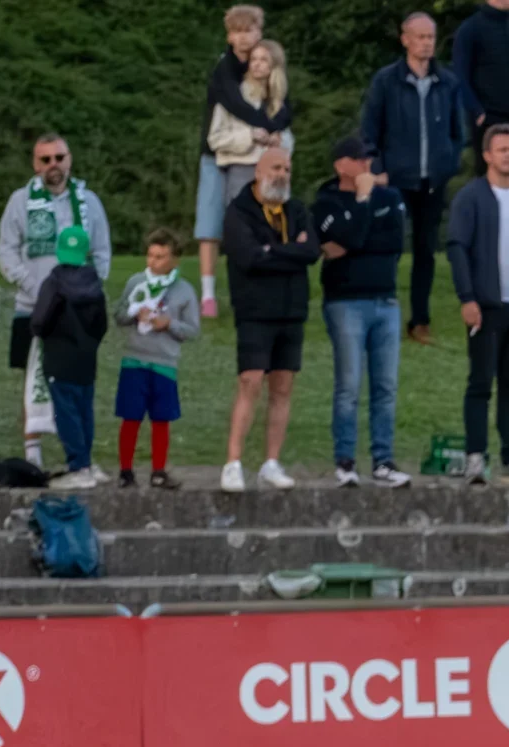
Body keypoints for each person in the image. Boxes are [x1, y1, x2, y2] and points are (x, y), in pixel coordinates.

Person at [0, 133, 112, 470]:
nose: (53, 166)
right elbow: (6, 250)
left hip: (77, 312)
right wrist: (35, 287)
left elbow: (101, 251)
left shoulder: (89, 201)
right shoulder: (20, 201)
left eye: (59, 158)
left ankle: (77, 456)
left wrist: (90, 287)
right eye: (45, 160)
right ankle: (32, 449)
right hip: (33, 306)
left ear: (69, 159)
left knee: (75, 382)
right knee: (32, 378)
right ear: (35, 164)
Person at [446, 125, 509, 486]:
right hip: (488, 306)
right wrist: (467, 298)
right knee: (480, 381)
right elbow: (457, 247)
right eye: (502, 149)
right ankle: (476, 457)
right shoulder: (472, 197)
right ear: (487, 154)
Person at [362, 13, 467, 347]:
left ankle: (419, 321)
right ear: (405, 39)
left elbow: (457, 133)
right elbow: (370, 131)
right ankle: (383, 314)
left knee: (425, 251)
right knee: (389, 247)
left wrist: (446, 165)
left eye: (430, 37)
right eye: (420, 37)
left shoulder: (447, 83)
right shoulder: (386, 81)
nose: (426, 43)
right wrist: (380, 169)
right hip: (395, 180)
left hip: (432, 181)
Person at [313, 135, 411, 488]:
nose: (367, 164)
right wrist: (363, 201)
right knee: (349, 386)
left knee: (385, 386)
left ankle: (383, 460)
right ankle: (345, 461)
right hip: (345, 302)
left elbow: (393, 243)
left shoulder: (391, 197)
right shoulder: (325, 201)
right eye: (359, 159)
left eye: (369, 158)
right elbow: (349, 238)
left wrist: (354, 237)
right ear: (341, 164)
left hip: (385, 301)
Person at [221, 146, 320, 492]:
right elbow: (248, 257)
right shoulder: (239, 212)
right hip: (255, 311)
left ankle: (271, 462)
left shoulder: (297, 210)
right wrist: (289, 251)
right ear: (259, 172)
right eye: (276, 167)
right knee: (250, 382)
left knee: (282, 387)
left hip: (291, 311)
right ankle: (233, 462)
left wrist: (273, 251)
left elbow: (312, 252)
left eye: (287, 169)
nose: (282, 174)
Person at [195, 5, 293, 319]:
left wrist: (275, 132)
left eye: (248, 30)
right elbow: (232, 104)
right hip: (217, 156)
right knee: (210, 224)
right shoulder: (225, 68)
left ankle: (267, 286)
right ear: (229, 35)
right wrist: (259, 130)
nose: (243, 37)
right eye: (236, 31)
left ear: (259, 32)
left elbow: (286, 110)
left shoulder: (269, 72)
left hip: (253, 161)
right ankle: (208, 294)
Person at [113, 229, 200, 489]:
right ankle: (125, 471)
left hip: (165, 364)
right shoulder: (135, 282)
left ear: (174, 260)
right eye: (151, 255)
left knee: (161, 419)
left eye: (161, 257)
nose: (153, 262)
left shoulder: (184, 290)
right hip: (134, 360)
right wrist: (133, 314)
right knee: (130, 417)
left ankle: (158, 471)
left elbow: (192, 330)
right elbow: (118, 315)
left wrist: (169, 324)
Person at [30, 226, 109, 490]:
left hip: (59, 357)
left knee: (67, 413)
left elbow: (39, 321)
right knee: (84, 411)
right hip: (86, 359)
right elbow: (102, 325)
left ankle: (78, 466)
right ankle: (86, 461)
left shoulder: (54, 282)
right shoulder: (94, 281)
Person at [207, 38, 293, 209]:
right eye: (254, 59)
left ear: (274, 64)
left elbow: (288, 138)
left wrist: (280, 141)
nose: (257, 64)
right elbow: (215, 138)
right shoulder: (233, 97)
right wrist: (249, 137)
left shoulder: (280, 101)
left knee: (275, 227)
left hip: (275, 172)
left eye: (263, 60)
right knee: (243, 226)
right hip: (242, 168)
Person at [453, 0, 509, 175]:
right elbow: (460, 75)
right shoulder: (471, 28)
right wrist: (477, 112)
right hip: (489, 120)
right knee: (489, 180)